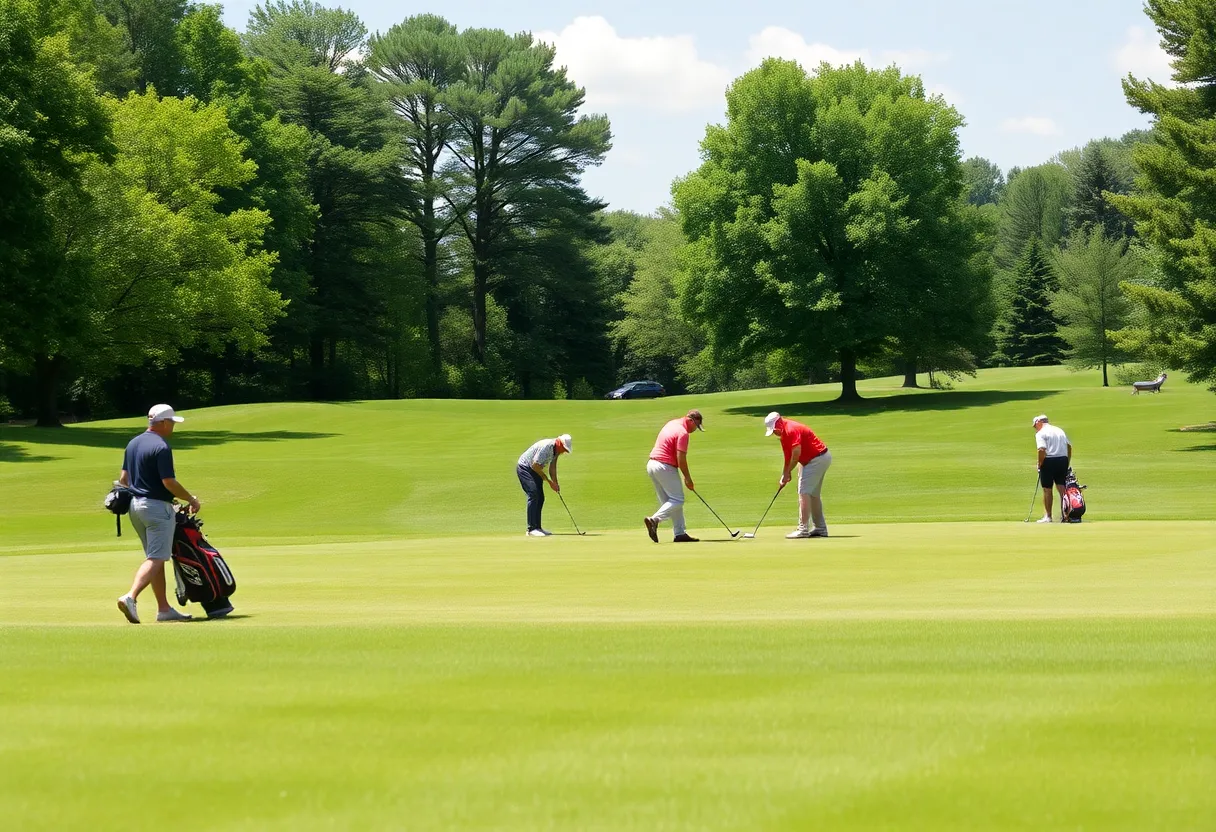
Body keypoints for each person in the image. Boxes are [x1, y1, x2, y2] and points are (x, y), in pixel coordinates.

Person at [115, 404, 201, 624]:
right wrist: (190, 499)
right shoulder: (161, 446)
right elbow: (168, 482)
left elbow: (124, 480)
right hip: (156, 509)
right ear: (162, 423)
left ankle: (164, 609)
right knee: (157, 557)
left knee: (155, 557)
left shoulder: (133, 443)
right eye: (171, 422)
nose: (173, 426)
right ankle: (130, 597)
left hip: (135, 508)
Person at [764, 412, 832, 538]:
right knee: (813, 494)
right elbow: (788, 457)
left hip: (817, 458)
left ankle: (803, 529)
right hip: (814, 459)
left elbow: (796, 455)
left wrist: (789, 471)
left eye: (775, 429)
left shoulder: (791, 429)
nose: (775, 433)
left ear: (779, 423)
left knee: (803, 492)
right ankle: (820, 528)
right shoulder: (783, 435)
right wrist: (785, 474)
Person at [644, 409, 703, 543]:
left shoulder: (672, 423)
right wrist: (687, 478)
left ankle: (680, 533)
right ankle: (654, 520)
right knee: (678, 500)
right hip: (664, 466)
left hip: (652, 464)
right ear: (691, 420)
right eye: (696, 426)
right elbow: (681, 458)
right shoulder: (683, 432)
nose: (695, 430)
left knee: (670, 502)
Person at [517, 434, 572, 537]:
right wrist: (549, 482)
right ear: (559, 443)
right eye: (564, 448)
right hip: (525, 468)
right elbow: (535, 465)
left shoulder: (556, 450)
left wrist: (555, 482)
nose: (564, 451)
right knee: (533, 494)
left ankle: (537, 527)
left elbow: (552, 468)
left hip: (534, 470)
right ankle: (531, 529)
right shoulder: (547, 446)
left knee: (540, 497)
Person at [1032, 414, 1072, 523]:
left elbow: (1041, 449)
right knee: (1062, 488)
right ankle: (1066, 515)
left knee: (1047, 489)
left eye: (1035, 425)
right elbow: (1069, 446)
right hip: (1062, 460)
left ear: (1039, 422)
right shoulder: (1059, 430)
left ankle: (1048, 517)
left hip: (1049, 461)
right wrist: (1067, 461)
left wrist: (1039, 464)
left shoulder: (1041, 433)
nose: (1035, 428)